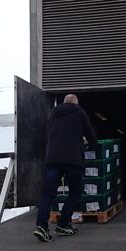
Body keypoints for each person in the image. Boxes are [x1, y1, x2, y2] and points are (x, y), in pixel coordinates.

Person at [33, 94, 97, 242]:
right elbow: (90, 132)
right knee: (75, 191)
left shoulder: (53, 114)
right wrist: (93, 145)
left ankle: (41, 226)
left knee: (47, 194)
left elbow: (48, 133)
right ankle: (62, 224)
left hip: (52, 158)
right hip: (72, 159)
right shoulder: (79, 111)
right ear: (76, 103)